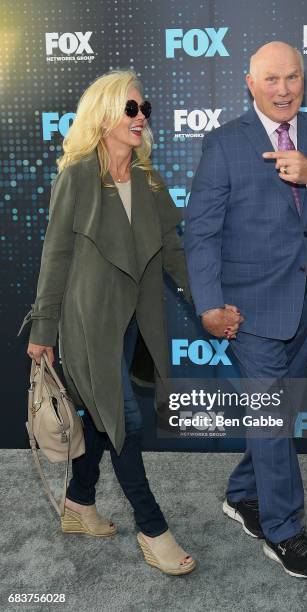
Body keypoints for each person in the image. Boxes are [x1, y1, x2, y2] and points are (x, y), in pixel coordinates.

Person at [184, 41, 307, 578]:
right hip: (250, 313)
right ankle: (283, 530)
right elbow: (199, 233)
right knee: (271, 420)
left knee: (279, 416)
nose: (284, 89)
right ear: (250, 82)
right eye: (272, 79)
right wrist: (209, 305)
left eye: (293, 78)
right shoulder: (223, 144)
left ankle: (243, 493)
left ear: (303, 80)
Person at [19, 69, 196, 575]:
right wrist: (42, 330)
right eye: (131, 109)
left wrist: (204, 301)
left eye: (144, 110)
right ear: (104, 115)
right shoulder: (76, 175)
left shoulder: (147, 178)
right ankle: (152, 526)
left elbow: (174, 252)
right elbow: (55, 259)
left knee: (100, 415)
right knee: (126, 421)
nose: (141, 118)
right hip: (87, 321)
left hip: (133, 321)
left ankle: (78, 503)